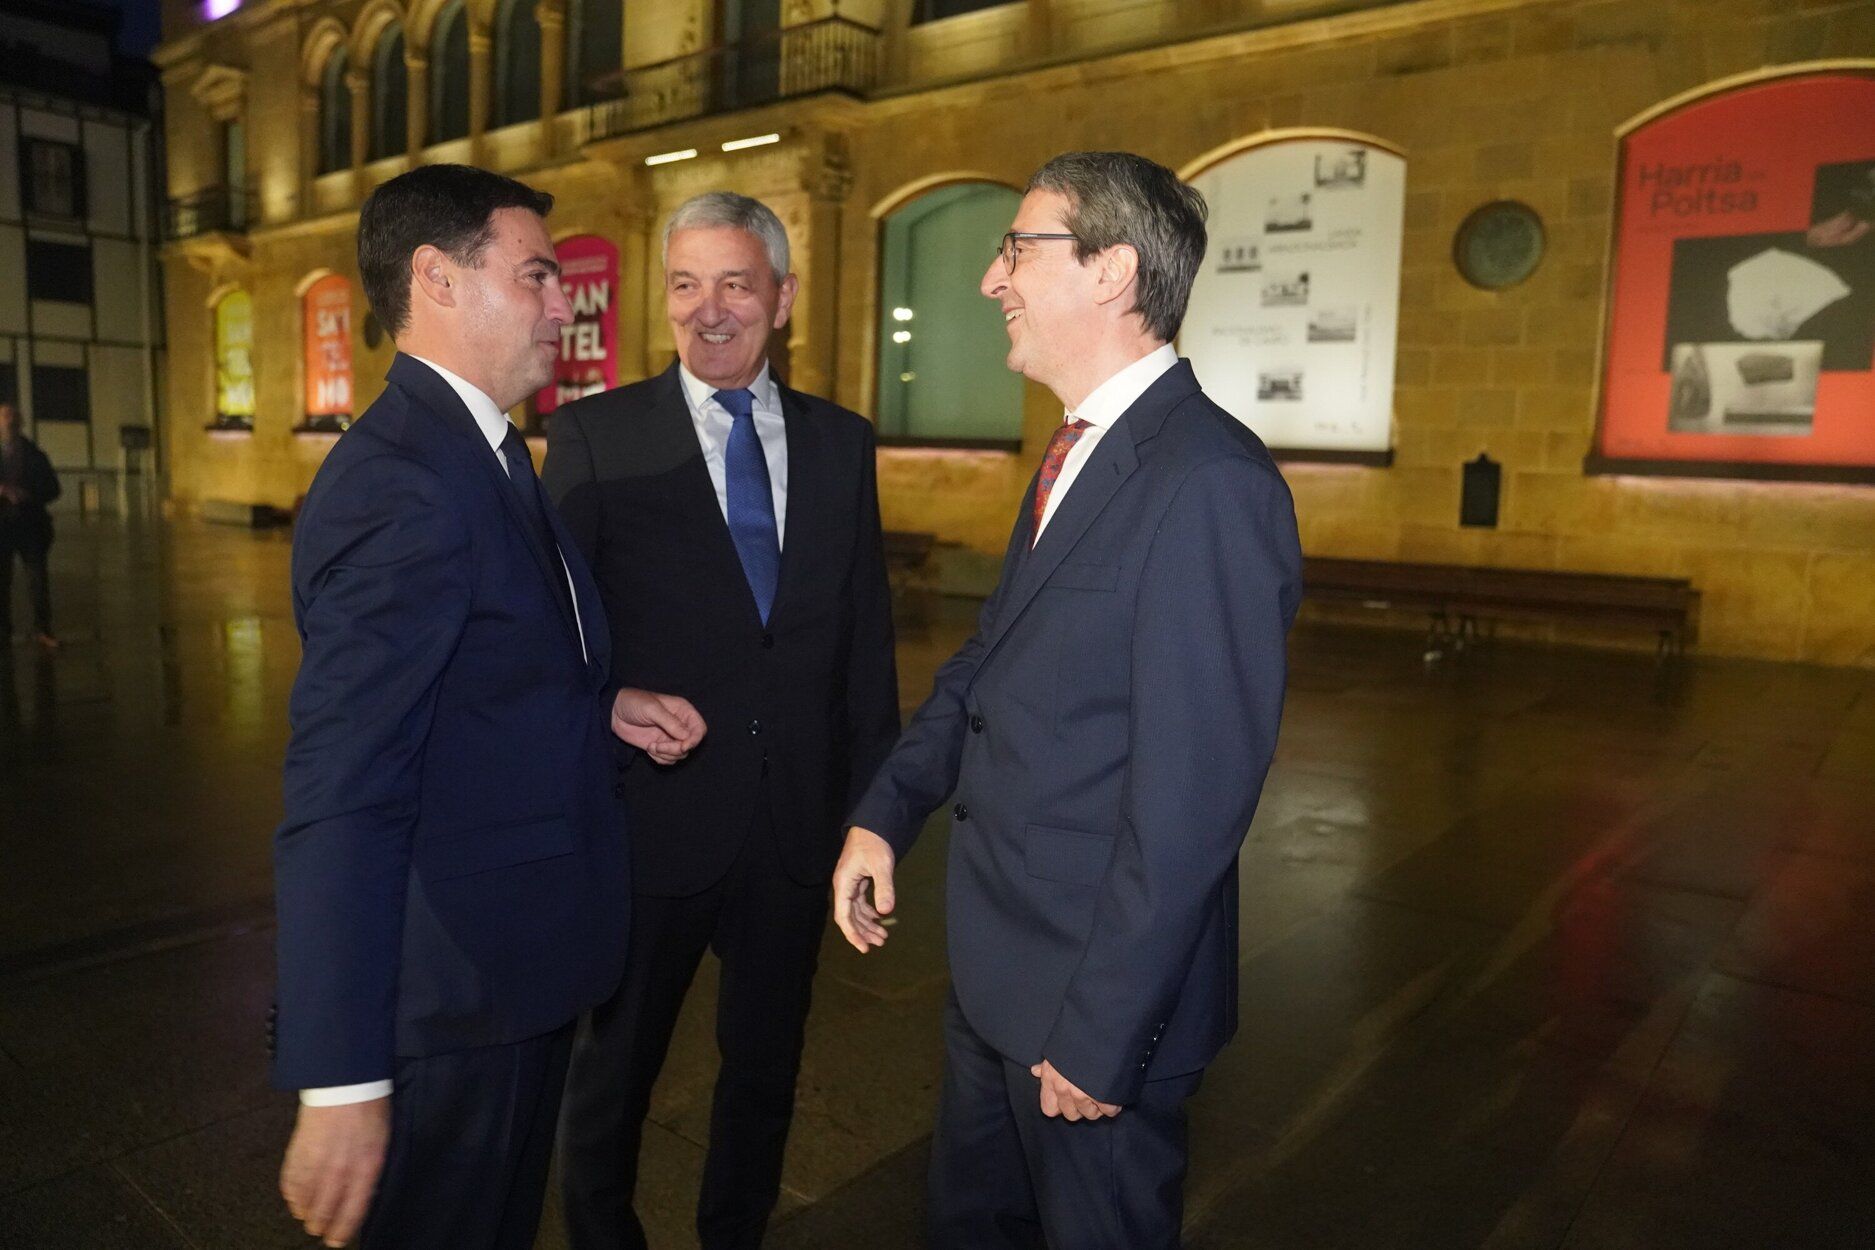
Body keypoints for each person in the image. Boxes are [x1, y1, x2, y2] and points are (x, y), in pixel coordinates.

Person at [832, 151, 1303, 1250]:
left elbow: (1193, 800)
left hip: (1090, 1011)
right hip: (998, 967)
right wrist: (887, 809)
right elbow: (990, 661)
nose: (992, 278)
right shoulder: (1080, 452)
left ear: (1111, 271)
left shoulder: (1209, 483)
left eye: (1017, 247)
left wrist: (1101, 1032)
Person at [272, 164, 705, 1250]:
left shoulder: (483, 450)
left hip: (517, 969)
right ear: (437, 279)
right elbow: (343, 786)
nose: (568, 302)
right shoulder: (400, 482)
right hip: (458, 993)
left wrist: (599, 706)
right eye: (539, 275)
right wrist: (341, 1075)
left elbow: (480, 672)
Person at [545, 191, 900, 1250]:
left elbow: (864, 647)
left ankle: (733, 1232)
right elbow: (552, 639)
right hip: (651, 822)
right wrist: (605, 715)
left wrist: (872, 817)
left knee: (765, 1068)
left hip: (794, 828)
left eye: (736, 283)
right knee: (614, 1073)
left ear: (782, 298)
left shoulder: (844, 444)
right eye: (686, 283)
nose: (710, 309)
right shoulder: (597, 435)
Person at [0, 401, 62, 649]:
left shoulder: (36, 456)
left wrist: (27, 494)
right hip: (2, 528)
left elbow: (54, 489)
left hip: (30, 527)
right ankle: (3, 630)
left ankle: (42, 629)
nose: (9, 422)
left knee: (37, 580)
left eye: (13, 418)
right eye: (4, 418)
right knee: (1, 581)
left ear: (21, 423)